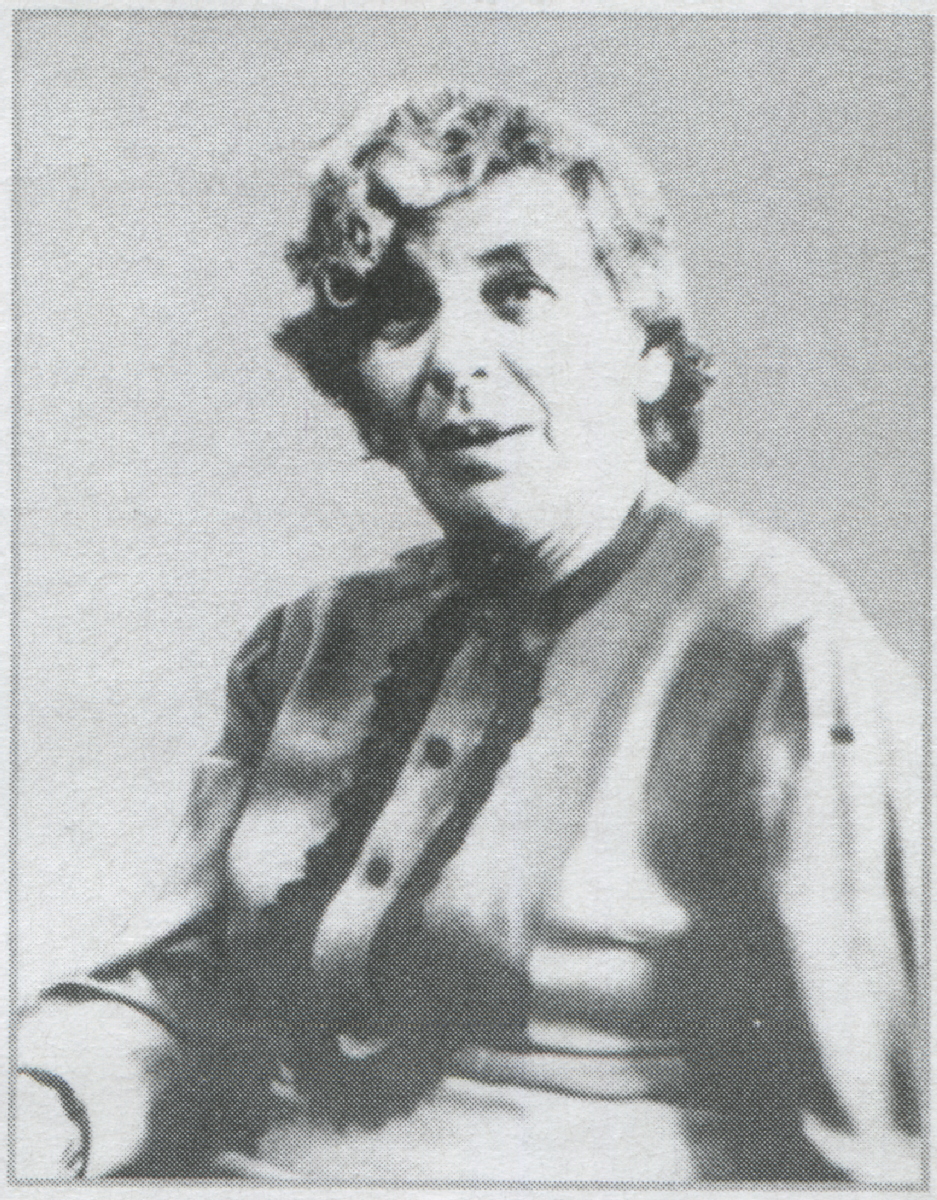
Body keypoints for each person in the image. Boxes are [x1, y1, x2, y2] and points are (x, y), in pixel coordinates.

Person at [16, 86, 922, 1184]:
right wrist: (47, 1109)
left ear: (646, 348)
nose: (452, 358)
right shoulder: (308, 642)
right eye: (400, 311)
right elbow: (180, 990)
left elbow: (878, 1156)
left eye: (515, 293)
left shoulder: (782, 652)